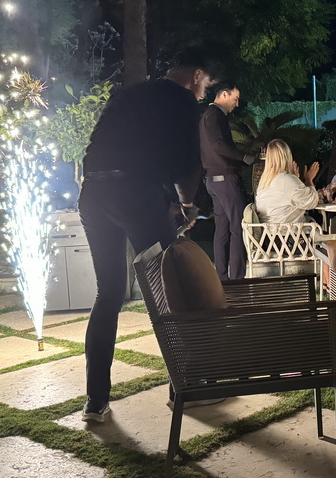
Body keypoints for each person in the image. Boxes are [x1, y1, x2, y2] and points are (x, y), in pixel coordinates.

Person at [78, 50, 217, 422]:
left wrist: (158, 201)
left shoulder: (130, 94)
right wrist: (187, 205)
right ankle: (186, 387)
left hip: (93, 193)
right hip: (135, 194)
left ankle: (95, 402)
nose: (205, 94)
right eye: (207, 86)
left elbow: (111, 153)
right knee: (167, 290)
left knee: (107, 294)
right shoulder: (183, 100)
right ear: (196, 75)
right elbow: (188, 165)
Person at [200, 81, 255, 280]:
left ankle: (222, 279)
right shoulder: (215, 115)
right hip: (224, 179)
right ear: (224, 94)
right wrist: (244, 157)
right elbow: (218, 144)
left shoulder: (209, 115)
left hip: (213, 180)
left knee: (222, 229)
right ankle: (237, 279)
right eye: (235, 99)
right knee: (238, 227)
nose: (237, 104)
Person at [255, 139, 319, 223]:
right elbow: (311, 202)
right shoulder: (286, 179)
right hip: (289, 233)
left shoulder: (264, 182)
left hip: (269, 233)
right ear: (287, 156)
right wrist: (309, 179)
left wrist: (295, 178)